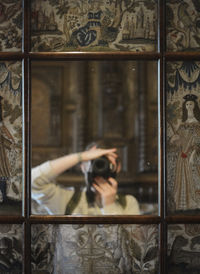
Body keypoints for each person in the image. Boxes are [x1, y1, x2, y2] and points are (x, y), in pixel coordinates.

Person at [31, 144, 140, 215]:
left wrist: (110, 206)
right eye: (93, 161)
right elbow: (31, 182)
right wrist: (81, 156)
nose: (100, 166)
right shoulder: (67, 199)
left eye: (106, 162)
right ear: (83, 166)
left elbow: (128, 248)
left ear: (118, 167)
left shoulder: (128, 203)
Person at [170, 94, 200, 211]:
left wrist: (192, 154)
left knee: (194, 179)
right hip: (182, 157)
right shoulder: (182, 125)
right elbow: (179, 142)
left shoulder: (197, 124)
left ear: (195, 106)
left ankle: (195, 204)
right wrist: (174, 140)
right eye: (187, 104)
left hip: (192, 156)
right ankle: (184, 205)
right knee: (182, 180)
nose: (189, 106)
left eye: (191, 104)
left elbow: (198, 142)